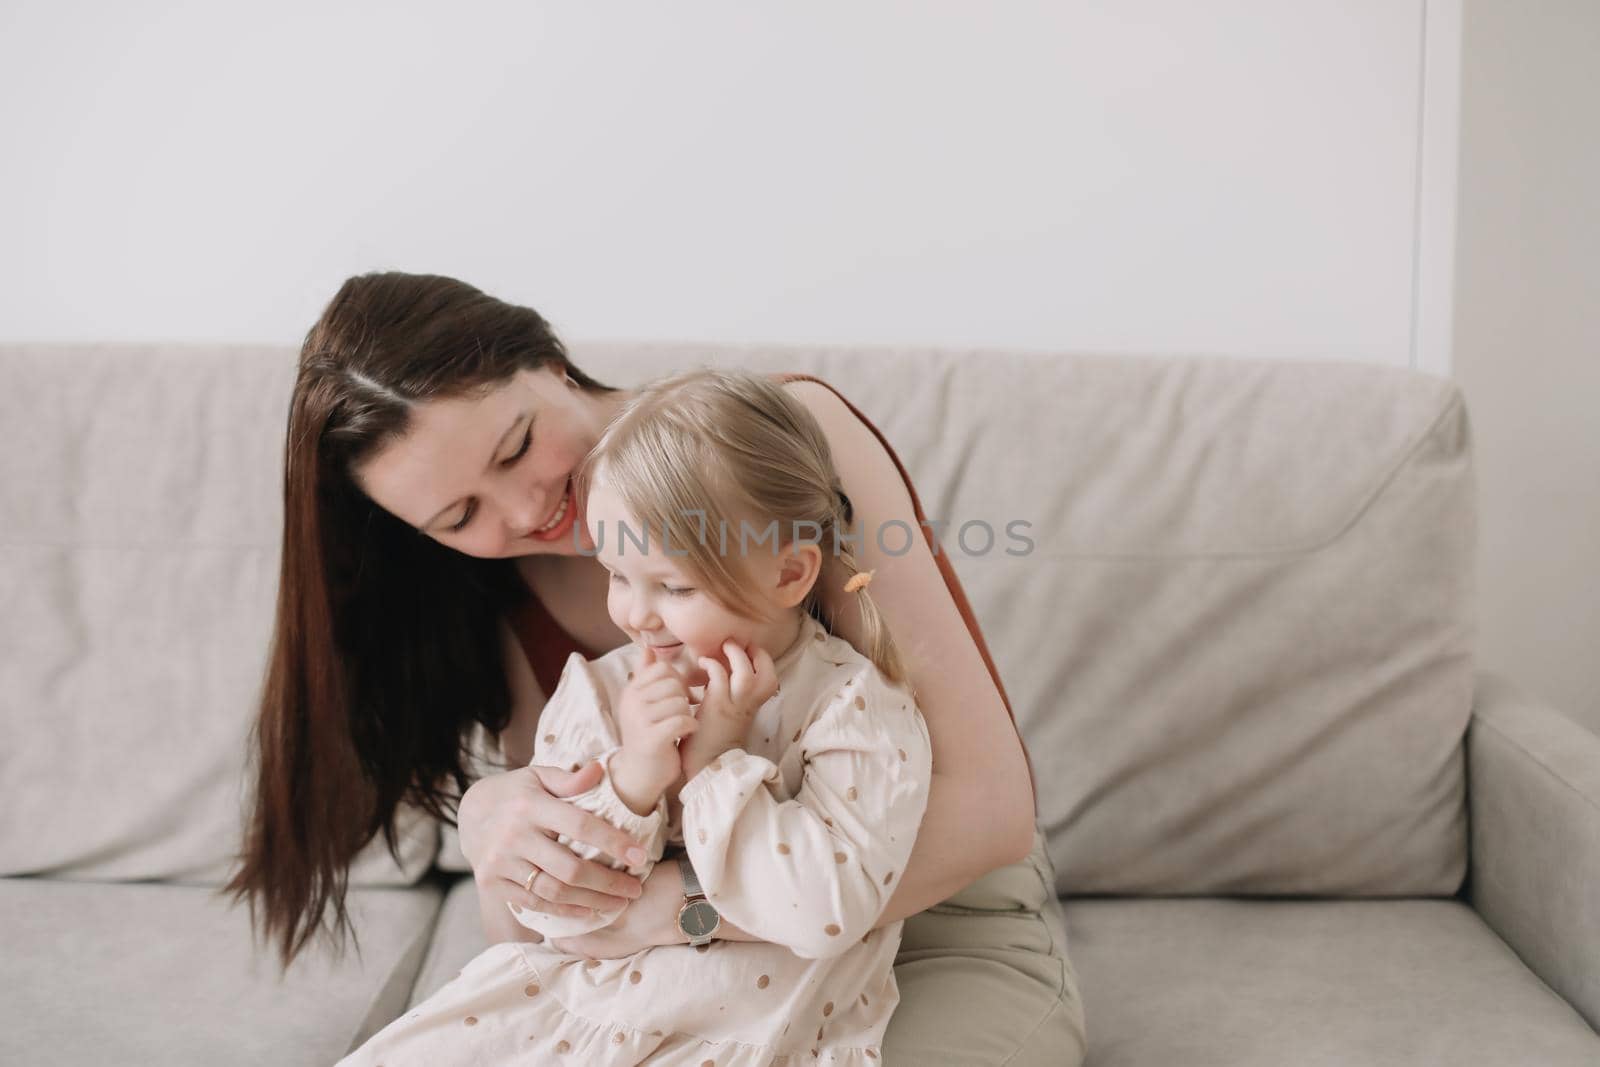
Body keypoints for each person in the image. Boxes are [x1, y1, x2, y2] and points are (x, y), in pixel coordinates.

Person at [226, 272, 1087, 1064]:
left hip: (935, 913)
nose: (529, 509)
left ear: (553, 365)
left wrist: (680, 912)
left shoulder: (774, 442)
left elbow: (992, 813)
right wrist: (498, 835)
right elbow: (553, 933)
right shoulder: (489, 603)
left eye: (517, 444)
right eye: (460, 514)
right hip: (685, 985)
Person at [338, 368, 934, 1064]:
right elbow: (551, 912)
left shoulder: (854, 707)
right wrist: (631, 780)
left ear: (789, 574)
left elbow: (821, 908)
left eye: (673, 585)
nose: (636, 613)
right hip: (578, 1012)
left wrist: (714, 764)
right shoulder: (601, 692)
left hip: (751, 1032)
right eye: (618, 574)